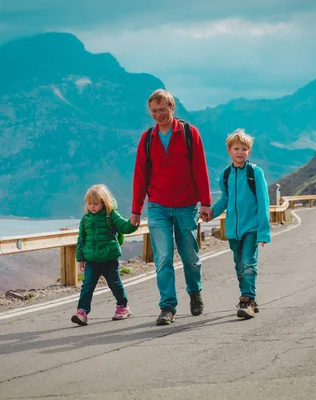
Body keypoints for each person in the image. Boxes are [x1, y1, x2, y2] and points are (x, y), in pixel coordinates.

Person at [130, 89, 212, 326]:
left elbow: (200, 168)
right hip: (158, 206)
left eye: (162, 110)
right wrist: (136, 210)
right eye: (154, 111)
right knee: (163, 257)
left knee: (190, 256)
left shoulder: (189, 133)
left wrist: (205, 202)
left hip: (187, 205)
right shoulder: (147, 139)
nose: (158, 115)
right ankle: (167, 306)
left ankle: (195, 292)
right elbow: (140, 176)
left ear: (172, 107)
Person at [205, 129, 271, 319]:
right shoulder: (225, 175)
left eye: (244, 149)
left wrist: (263, 232)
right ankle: (250, 297)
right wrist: (211, 212)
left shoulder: (255, 173)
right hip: (233, 230)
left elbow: (264, 203)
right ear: (229, 150)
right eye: (236, 148)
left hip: (251, 228)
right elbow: (225, 200)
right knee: (239, 267)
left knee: (248, 264)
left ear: (249, 151)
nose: (240, 152)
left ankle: (246, 300)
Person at [71, 184, 138, 326]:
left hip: (109, 258)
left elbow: (123, 226)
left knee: (114, 283)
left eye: (96, 204)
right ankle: (82, 312)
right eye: (89, 203)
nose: (92, 207)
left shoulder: (111, 215)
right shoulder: (85, 219)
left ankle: (123, 306)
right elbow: (81, 239)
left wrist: (133, 223)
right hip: (91, 259)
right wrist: (80, 258)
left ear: (104, 203)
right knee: (87, 286)